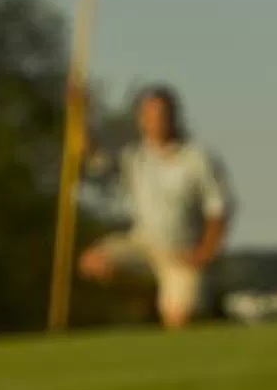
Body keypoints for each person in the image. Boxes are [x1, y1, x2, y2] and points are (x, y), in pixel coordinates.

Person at [78, 84, 233, 330]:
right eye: (148, 115)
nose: (155, 121)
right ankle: (143, 304)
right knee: (94, 263)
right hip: (142, 244)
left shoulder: (197, 158)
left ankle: (186, 302)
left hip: (182, 252)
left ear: (173, 116)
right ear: (140, 119)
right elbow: (95, 158)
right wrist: (80, 113)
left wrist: (205, 253)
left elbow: (219, 209)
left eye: (161, 114)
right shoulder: (134, 156)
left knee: (179, 318)